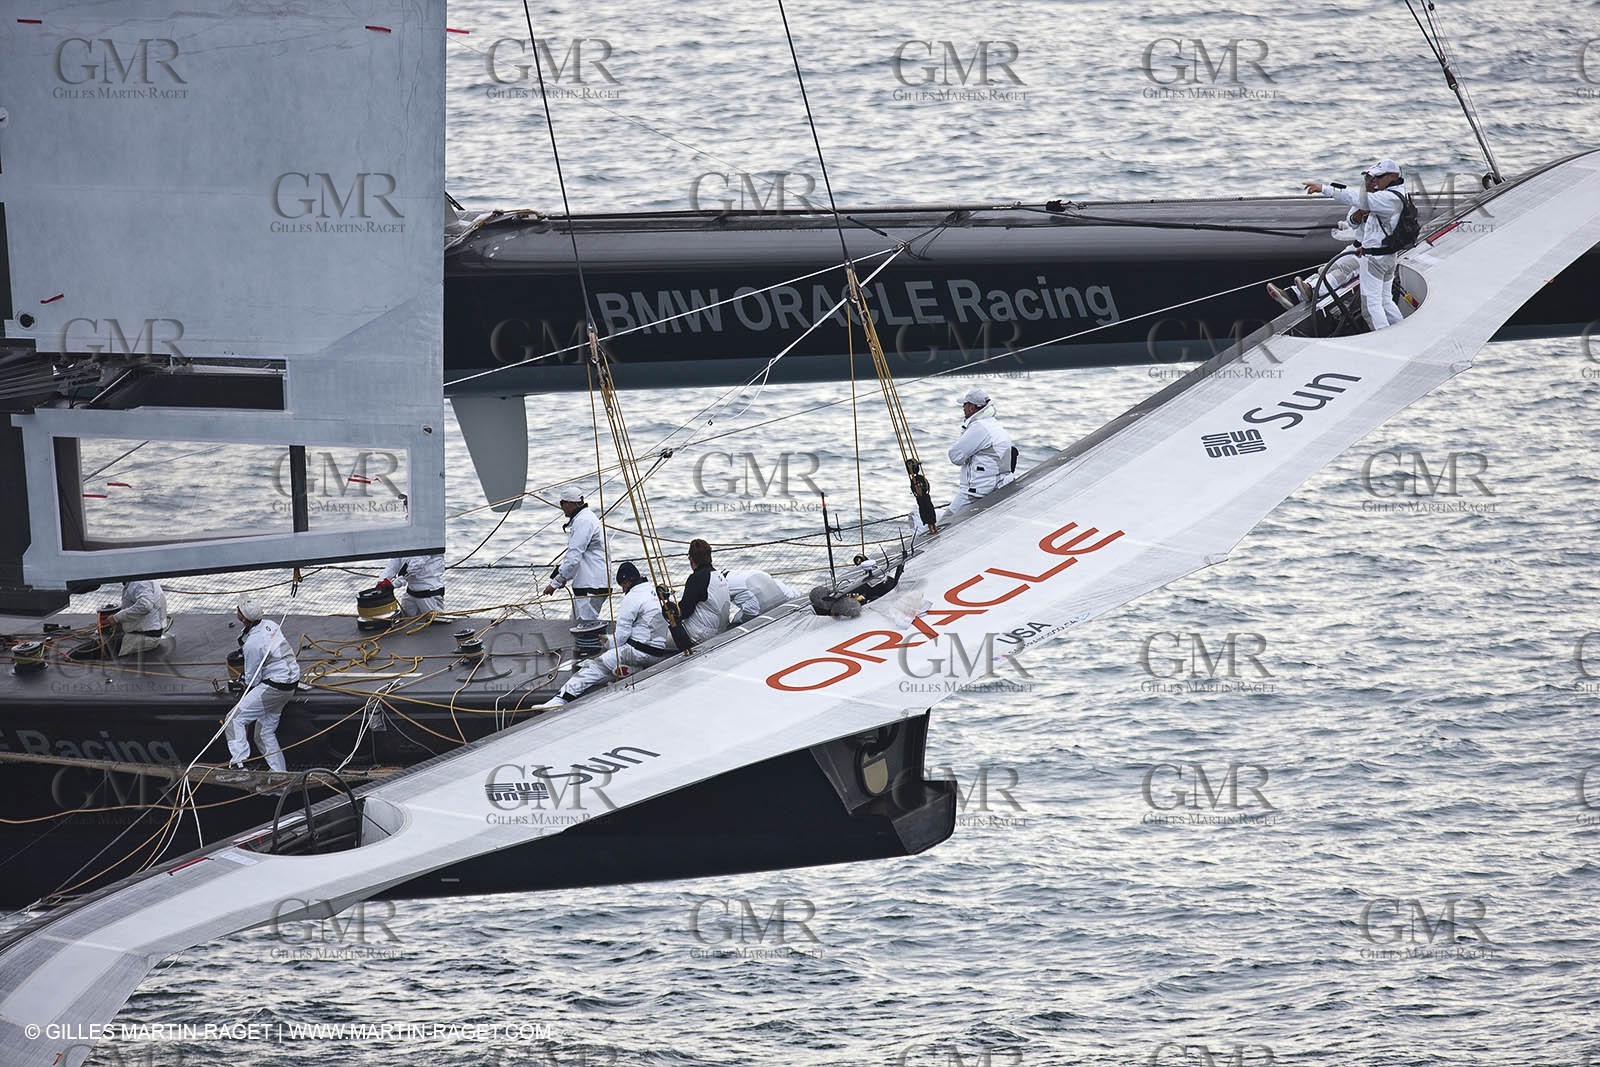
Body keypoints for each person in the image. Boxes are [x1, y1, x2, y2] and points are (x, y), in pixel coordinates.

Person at [1298, 159, 1409, 331]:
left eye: (1379, 177)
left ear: (1392, 176)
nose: (1375, 181)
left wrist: (1324, 189)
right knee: (1385, 300)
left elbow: (1354, 197)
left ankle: (1386, 340)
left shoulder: (1385, 198)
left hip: (1375, 259)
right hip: (1387, 255)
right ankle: (1402, 331)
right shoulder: (1399, 193)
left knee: (1371, 307)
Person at [548, 561, 674, 704]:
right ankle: (632, 669)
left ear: (628, 580)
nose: (622, 590)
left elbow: (621, 638)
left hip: (639, 652)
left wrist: (607, 641)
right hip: (657, 653)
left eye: (623, 585)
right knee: (618, 657)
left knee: (596, 665)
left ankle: (561, 698)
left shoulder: (632, 598)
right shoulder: (652, 591)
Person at [223, 599, 300, 775]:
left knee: (234, 719)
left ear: (242, 617)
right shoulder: (270, 625)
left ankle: (238, 766)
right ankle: (280, 775)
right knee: (263, 733)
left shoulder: (253, 644)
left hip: (275, 686)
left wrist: (241, 684)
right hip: (289, 684)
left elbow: (252, 679)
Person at [944, 387, 1017, 518]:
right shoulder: (992, 424)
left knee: (946, 521)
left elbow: (955, 456)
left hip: (979, 491)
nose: (963, 408)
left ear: (972, 407)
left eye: (965, 405)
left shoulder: (979, 428)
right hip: (999, 483)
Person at [542, 485, 609, 621]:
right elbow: (581, 558)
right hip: (593, 584)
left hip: (590, 586)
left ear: (569, 503)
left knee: (585, 625)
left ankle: (596, 642)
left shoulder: (583, 521)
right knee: (575, 621)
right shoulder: (587, 518)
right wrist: (564, 577)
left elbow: (573, 557)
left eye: (562, 503)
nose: (562, 507)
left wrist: (555, 583)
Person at [679, 539, 731, 644]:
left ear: (691, 559)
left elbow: (684, 611)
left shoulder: (696, 578)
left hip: (702, 635)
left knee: (665, 637)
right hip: (721, 630)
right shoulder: (719, 575)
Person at [109, 579, 169, 657]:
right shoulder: (146, 579)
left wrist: (116, 618)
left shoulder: (139, 583)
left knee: (120, 665)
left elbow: (145, 605)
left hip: (140, 639)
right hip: (151, 635)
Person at [376, 553, 446, 617]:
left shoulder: (426, 543)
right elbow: (393, 566)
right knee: (405, 620)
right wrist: (382, 580)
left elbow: (416, 566)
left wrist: (393, 584)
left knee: (435, 623)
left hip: (429, 594)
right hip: (411, 593)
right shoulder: (405, 545)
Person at [722, 568, 799, 625]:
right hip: (786, 597)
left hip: (759, 609)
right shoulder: (751, 572)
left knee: (733, 625)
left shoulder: (723, 584)